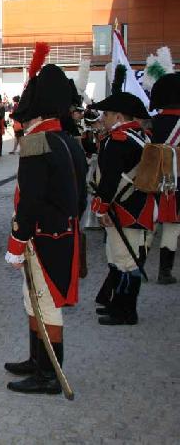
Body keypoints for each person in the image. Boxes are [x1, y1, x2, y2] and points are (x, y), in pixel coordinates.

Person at [4, 63, 86, 394]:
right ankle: (38, 359)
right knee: (33, 297)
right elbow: (80, 196)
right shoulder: (67, 139)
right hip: (61, 232)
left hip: (42, 237)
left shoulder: (38, 141)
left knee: (45, 301)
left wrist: (17, 241)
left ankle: (50, 374)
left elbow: (31, 200)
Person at [89, 91, 154, 326]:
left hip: (126, 208)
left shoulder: (118, 140)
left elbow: (110, 180)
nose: (103, 118)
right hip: (138, 206)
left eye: (106, 114)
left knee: (126, 261)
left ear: (118, 117)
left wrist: (101, 208)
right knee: (119, 256)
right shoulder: (141, 136)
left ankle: (126, 312)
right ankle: (117, 305)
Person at [146, 72, 180, 285]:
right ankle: (164, 272)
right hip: (177, 184)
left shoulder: (151, 124)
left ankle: (138, 266)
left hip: (152, 181)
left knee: (150, 224)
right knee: (172, 227)